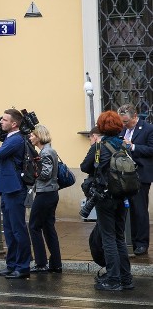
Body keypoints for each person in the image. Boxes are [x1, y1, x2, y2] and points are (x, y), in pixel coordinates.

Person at [81, 110, 133, 291]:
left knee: (108, 238)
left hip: (105, 197)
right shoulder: (124, 145)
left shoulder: (99, 147)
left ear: (101, 127)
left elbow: (84, 166)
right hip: (123, 196)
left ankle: (113, 279)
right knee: (119, 237)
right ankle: (126, 278)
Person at [0, 108, 31, 279]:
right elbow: (1, 156)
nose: (1, 122)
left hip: (15, 189)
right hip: (6, 187)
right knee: (9, 230)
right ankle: (12, 265)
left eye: (4, 120)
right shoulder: (9, 138)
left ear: (14, 124)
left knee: (18, 229)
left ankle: (23, 266)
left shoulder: (16, 139)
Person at [117, 103, 153, 256]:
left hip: (141, 175)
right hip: (125, 174)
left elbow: (151, 150)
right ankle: (131, 240)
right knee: (129, 208)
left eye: (126, 121)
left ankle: (142, 243)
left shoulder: (148, 129)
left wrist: (132, 147)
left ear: (135, 117)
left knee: (140, 210)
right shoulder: (123, 130)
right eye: (122, 122)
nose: (124, 124)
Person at [28, 124, 62, 273]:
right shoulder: (47, 151)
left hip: (45, 194)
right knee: (48, 228)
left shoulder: (46, 153)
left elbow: (45, 174)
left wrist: (33, 169)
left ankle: (41, 263)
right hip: (50, 193)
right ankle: (56, 263)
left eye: (32, 135)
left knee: (34, 226)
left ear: (39, 136)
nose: (30, 137)